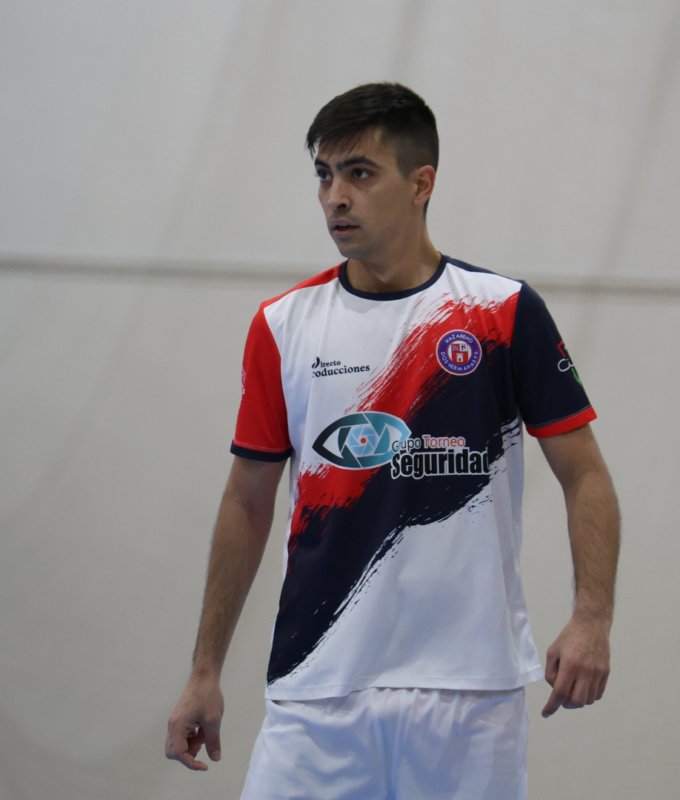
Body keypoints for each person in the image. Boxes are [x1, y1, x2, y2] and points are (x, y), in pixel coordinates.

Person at [166, 83, 620, 799]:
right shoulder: (283, 325)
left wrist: (592, 618)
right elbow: (246, 503)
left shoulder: (502, 312)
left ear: (420, 184)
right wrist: (204, 670)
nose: (335, 197)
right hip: (318, 689)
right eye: (324, 175)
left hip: (471, 695)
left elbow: (586, 474)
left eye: (359, 173)